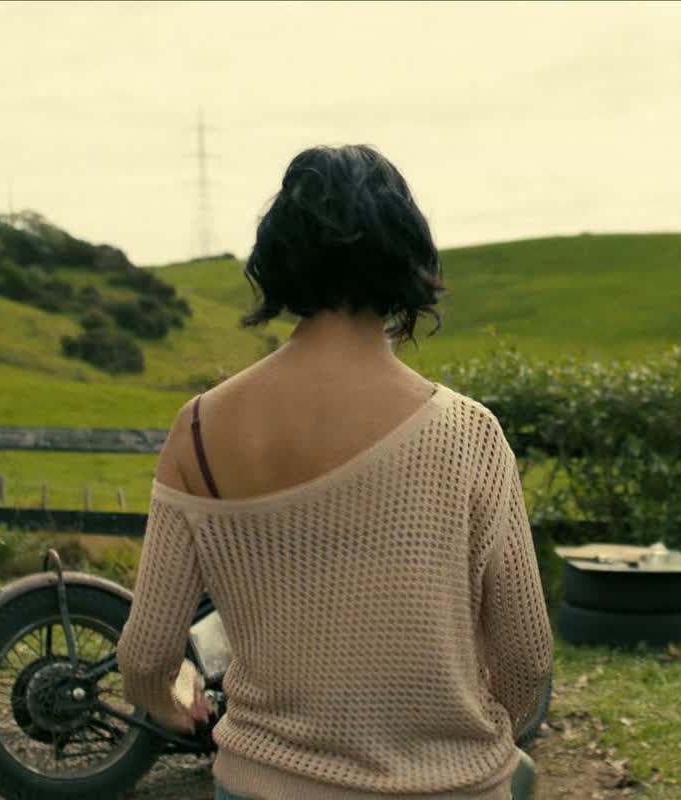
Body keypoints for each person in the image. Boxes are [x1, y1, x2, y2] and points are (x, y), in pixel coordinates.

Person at [116, 144, 553, 800]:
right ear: (408, 259)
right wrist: (490, 733)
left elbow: (146, 654)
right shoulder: (470, 434)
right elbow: (526, 655)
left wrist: (166, 700)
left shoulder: (200, 429)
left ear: (277, 259)